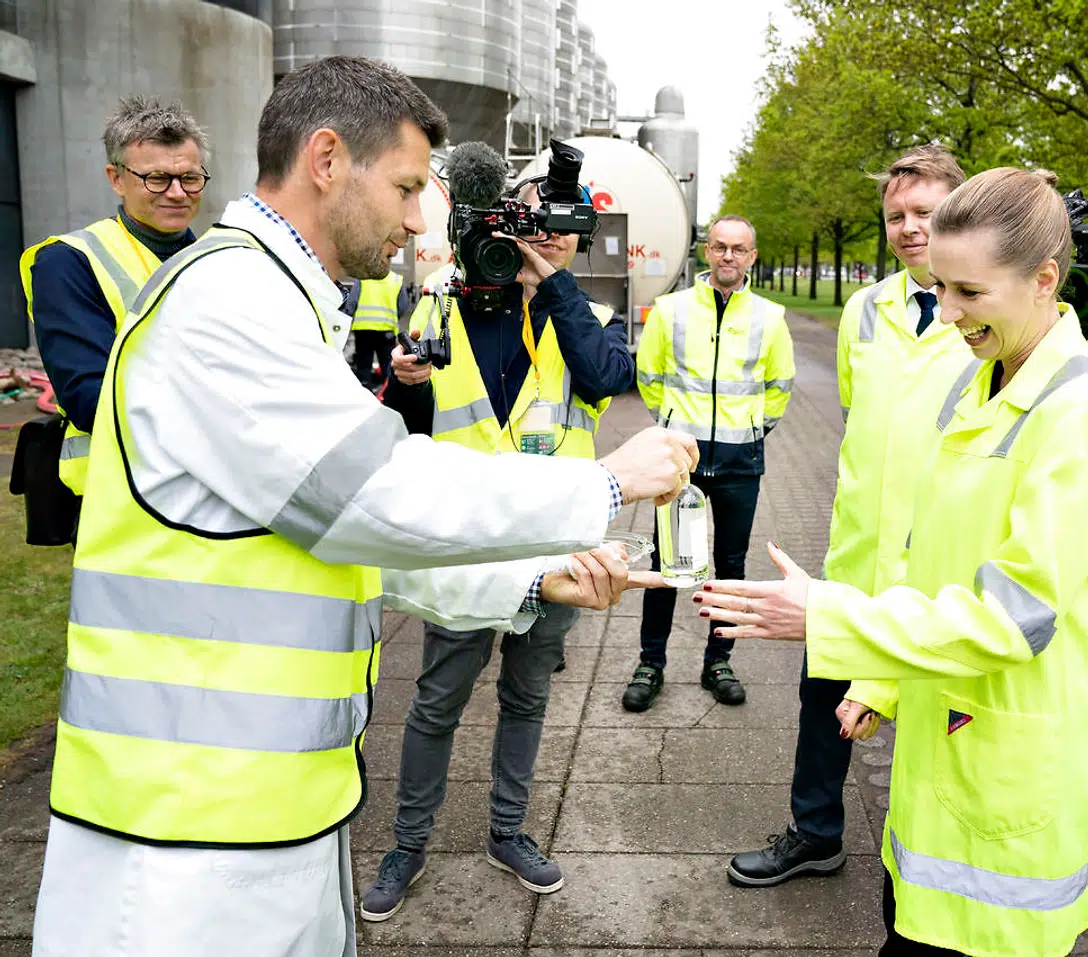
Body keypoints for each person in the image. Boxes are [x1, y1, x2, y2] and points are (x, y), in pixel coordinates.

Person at [30, 55, 697, 957]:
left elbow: (336, 547)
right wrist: (606, 483)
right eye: (408, 186)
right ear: (328, 158)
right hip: (182, 833)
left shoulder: (274, 299)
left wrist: (529, 580)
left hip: (257, 806)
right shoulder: (228, 302)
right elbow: (371, 495)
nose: (420, 218)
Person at [698, 168, 1088, 957]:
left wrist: (829, 616)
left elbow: (1013, 617)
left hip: (1014, 770)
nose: (947, 313)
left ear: (1046, 279)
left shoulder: (1084, 418)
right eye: (940, 287)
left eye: (969, 292)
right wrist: (879, 677)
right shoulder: (984, 383)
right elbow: (934, 557)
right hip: (950, 751)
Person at [360, 175, 635, 919]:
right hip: (467, 547)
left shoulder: (595, 315)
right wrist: (406, 382)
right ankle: (407, 843)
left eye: (557, 224)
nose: (542, 233)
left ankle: (507, 832)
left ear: (578, 235)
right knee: (435, 702)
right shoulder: (440, 299)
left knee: (528, 697)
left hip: (557, 550)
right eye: (528, 220)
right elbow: (412, 429)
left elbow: (609, 376)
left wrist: (550, 286)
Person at [728, 146, 973, 888]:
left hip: (940, 560)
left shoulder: (989, 309)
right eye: (896, 215)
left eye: (925, 213)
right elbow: (854, 417)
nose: (908, 227)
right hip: (856, 554)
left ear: (961, 215)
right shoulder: (866, 309)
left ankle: (940, 856)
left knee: (940, 712)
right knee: (821, 701)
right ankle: (816, 833)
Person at [625, 214, 796, 711]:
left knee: (732, 566)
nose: (728, 256)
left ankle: (718, 662)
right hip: (682, 462)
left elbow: (779, 386)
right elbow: (649, 375)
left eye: (738, 249)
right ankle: (650, 663)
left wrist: (751, 430)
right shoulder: (670, 309)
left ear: (752, 256)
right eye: (720, 247)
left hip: (741, 462)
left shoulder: (770, 316)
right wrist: (674, 426)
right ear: (706, 251)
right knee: (668, 564)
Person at [21, 95, 208, 497]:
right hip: (116, 493)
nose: (177, 193)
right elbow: (90, 398)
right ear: (116, 177)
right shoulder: (68, 262)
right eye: (157, 178)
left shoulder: (218, 258)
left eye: (190, 178)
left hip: (206, 486)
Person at [345, 269, 410, 386]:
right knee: (387, 365)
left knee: (363, 364)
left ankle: (365, 391)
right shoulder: (396, 280)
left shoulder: (362, 277)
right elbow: (403, 306)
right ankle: (387, 395)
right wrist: (392, 316)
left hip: (363, 328)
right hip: (386, 329)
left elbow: (351, 303)